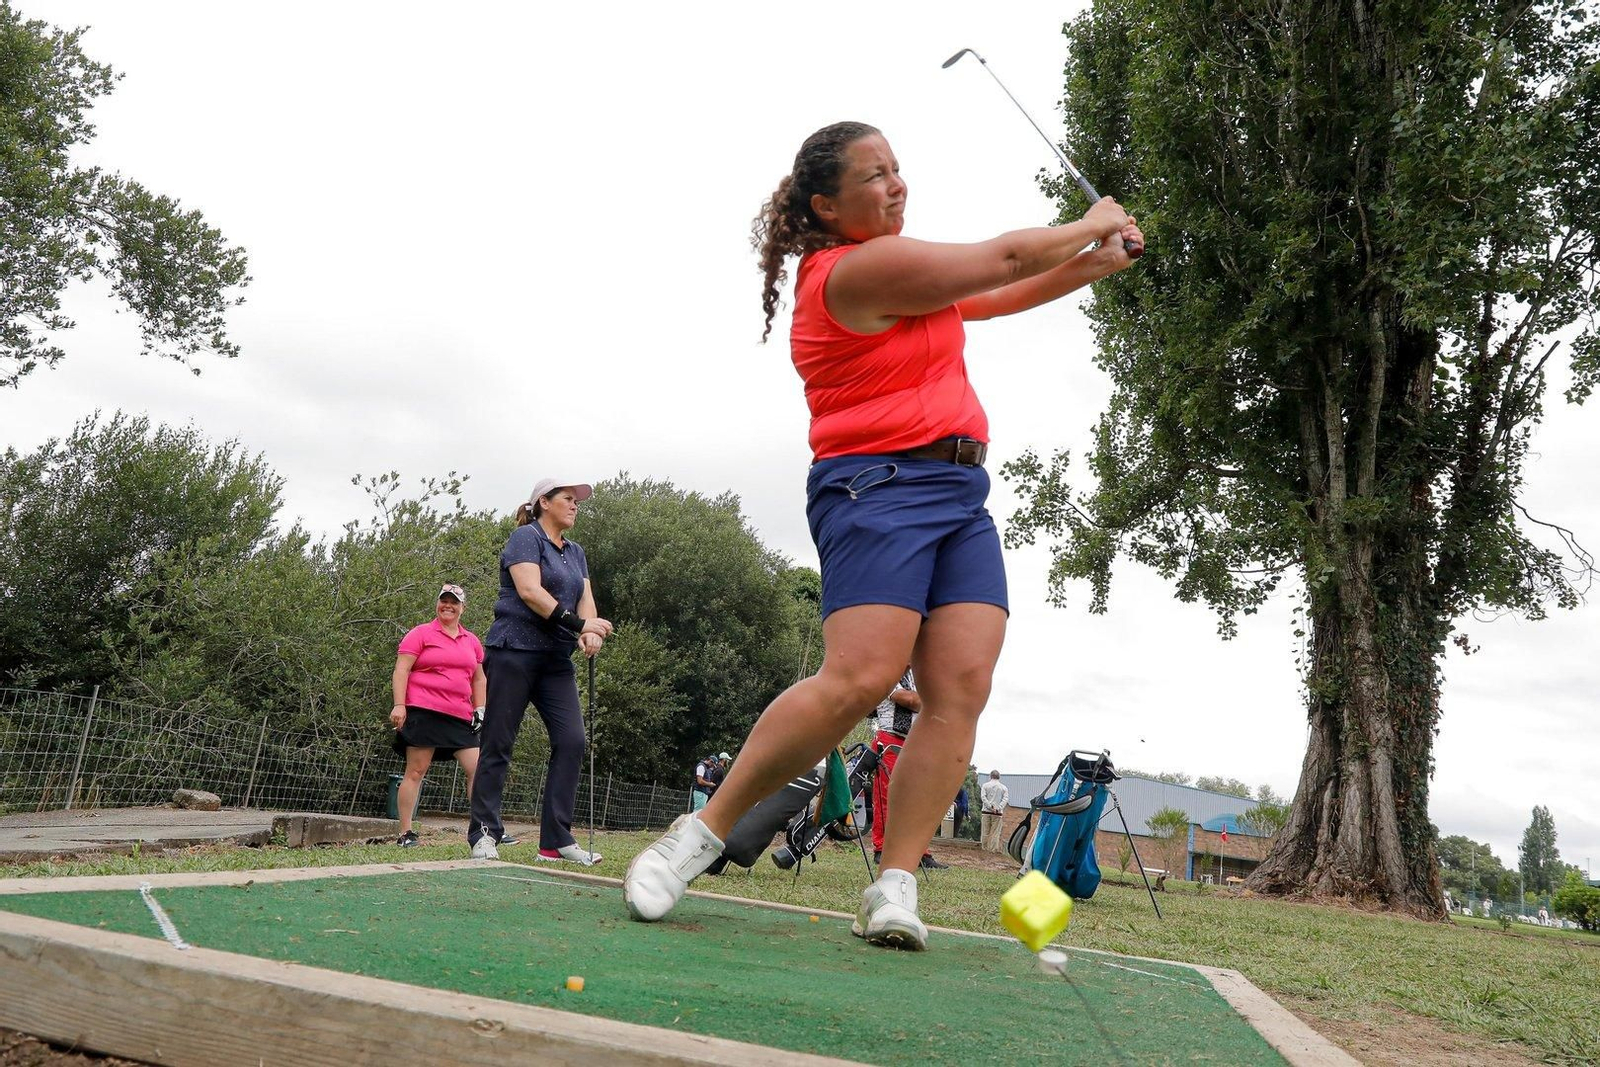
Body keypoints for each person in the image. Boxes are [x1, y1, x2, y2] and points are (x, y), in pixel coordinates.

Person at [624, 121, 1143, 950]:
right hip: (878, 486)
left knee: (960, 685)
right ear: (827, 206)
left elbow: (1000, 294)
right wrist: (1090, 222)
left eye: (899, 168)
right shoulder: (853, 271)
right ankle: (700, 835)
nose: (897, 185)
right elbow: (1003, 260)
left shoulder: (905, 282)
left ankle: (895, 882)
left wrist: (1096, 265)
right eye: (875, 175)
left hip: (958, 490)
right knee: (860, 677)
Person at [469, 479, 614, 864]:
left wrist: (591, 630)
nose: (575, 506)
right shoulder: (525, 538)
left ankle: (555, 841)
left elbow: (586, 600)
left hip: (554, 660)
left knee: (572, 741)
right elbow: (531, 592)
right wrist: (578, 625)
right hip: (513, 651)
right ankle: (484, 834)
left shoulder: (577, 552)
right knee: (498, 743)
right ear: (543, 503)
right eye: (568, 499)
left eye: (577, 501)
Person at [390, 583, 486, 847]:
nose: (448, 606)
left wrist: (480, 709)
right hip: (424, 710)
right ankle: (406, 833)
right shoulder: (420, 634)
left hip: (460, 715)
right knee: (416, 771)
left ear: (462, 608)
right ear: (437, 604)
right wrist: (400, 705)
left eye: (454, 602)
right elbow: (401, 670)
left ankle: (483, 829)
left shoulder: (472, 641)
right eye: (444, 600)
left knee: (478, 768)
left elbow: (479, 678)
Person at [868, 670, 944, 869]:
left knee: (919, 800)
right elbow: (909, 699)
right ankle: (882, 848)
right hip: (889, 738)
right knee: (886, 796)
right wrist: (933, 701)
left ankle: (920, 852)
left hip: (915, 741)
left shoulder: (917, 675)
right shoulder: (889, 671)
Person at [980, 770, 1010, 853]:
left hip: (986, 811)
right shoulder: (1003, 788)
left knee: (985, 831)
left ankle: (984, 848)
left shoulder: (985, 786)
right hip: (998, 813)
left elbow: (983, 797)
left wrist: (990, 807)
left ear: (990, 776)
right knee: (995, 833)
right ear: (999, 777)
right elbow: (1005, 799)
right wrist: (998, 808)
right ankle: (992, 850)